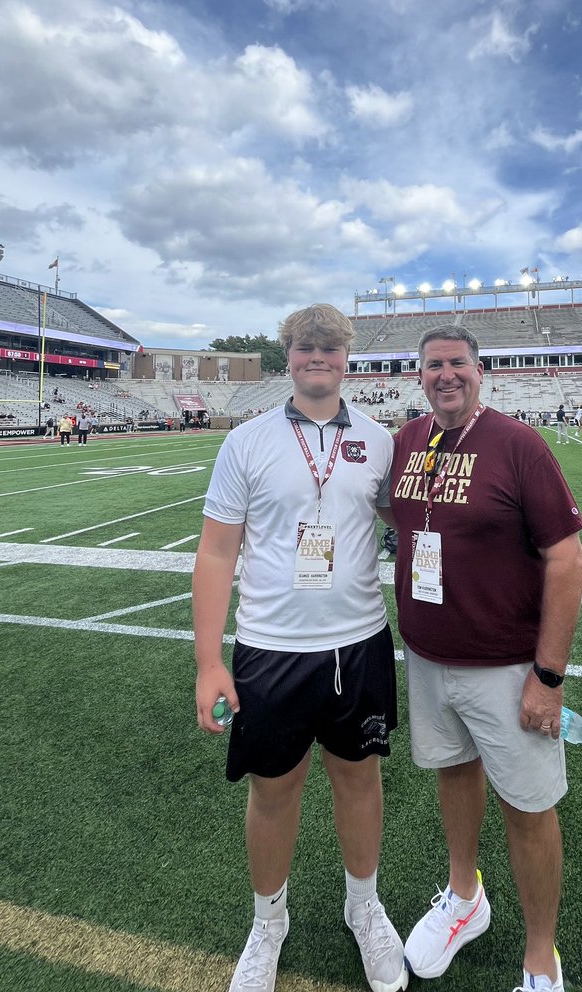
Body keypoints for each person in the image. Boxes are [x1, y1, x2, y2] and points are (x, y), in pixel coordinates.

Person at [192, 304, 407, 992]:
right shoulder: (247, 441)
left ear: (348, 357)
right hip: (271, 646)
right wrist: (208, 662)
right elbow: (215, 552)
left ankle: (363, 907)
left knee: (359, 779)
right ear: (288, 355)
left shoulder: (379, 440)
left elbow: (409, 525)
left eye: (330, 348)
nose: (318, 358)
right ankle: (268, 922)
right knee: (274, 789)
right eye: (306, 348)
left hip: (359, 642)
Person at [384, 325, 582, 992]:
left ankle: (539, 956)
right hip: (429, 657)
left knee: (527, 808)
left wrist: (548, 677)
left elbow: (566, 558)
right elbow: (397, 517)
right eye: (434, 365)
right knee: (454, 774)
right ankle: (464, 898)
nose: (446, 374)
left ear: (479, 370)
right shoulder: (410, 441)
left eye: (457, 364)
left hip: (506, 666)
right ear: (420, 376)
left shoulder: (518, 443)